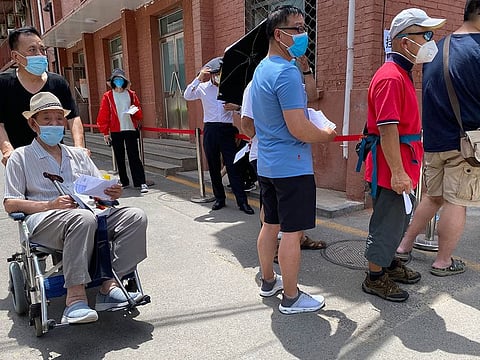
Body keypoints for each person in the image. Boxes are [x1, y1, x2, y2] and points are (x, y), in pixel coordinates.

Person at [4, 92, 148, 324]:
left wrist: (111, 191)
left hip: (90, 215)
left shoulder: (78, 155)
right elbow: (10, 203)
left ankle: (109, 284)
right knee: (82, 218)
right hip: (46, 221)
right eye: (47, 119)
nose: (55, 124)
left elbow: (98, 188)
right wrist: (49, 204)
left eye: (59, 119)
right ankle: (75, 299)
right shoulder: (20, 157)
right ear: (33, 123)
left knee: (135, 216)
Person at [250, 5, 336, 314]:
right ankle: (291, 297)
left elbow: (256, 121)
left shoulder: (262, 69)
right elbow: (299, 127)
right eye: (297, 29)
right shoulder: (286, 72)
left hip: (269, 165)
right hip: (292, 165)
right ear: (278, 34)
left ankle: (268, 280)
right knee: (292, 232)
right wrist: (327, 135)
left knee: (270, 224)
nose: (303, 34)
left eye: (304, 27)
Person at [361, 8, 445, 302]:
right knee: (387, 222)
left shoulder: (401, 74)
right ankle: (375, 276)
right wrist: (397, 172)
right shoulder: (391, 78)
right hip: (391, 167)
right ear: (403, 41)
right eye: (425, 35)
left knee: (399, 220)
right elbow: (387, 130)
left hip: (401, 162)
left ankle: (388, 264)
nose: (429, 41)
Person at [396, 0, 480, 276]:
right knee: (457, 201)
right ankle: (443, 261)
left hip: (433, 139)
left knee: (433, 197)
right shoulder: (477, 49)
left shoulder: (437, 48)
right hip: (465, 142)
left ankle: (404, 246)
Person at [241, 73, 326, 255]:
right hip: (268, 156)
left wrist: (307, 71)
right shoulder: (255, 85)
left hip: (291, 157)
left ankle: (291, 244)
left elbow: (312, 96)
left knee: (286, 211)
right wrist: (265, 137)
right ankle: (277, 249)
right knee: (273, 211)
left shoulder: (292, 81)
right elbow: (246, 123)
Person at [0, 26, 85, 165]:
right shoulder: (3, 84)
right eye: (32, 50)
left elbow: (73, 118)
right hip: (21, 161)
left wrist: (79, 147)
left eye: (42, 49)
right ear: (16, 56)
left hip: (56, 158)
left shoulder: (58, 83)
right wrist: (7, 149)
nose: (40, 55)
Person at [184, 57, 254, 215]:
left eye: (220, 74)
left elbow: (242, 111)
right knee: (213, 166)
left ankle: (242, 201)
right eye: (215, 74)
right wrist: (198, 78)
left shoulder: (229, 88)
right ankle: (219, 198)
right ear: (210, 74)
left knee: (232, 166)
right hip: (210, 129)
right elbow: (187, 95)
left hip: (227, 129)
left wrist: (236, 106)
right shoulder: (202, 88)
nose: (218, 76)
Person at [97, 69, 148, 194]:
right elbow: (104, 114)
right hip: (116, 130)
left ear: (124, 81)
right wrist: (105, 132)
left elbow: (139, 113)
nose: (118, 82)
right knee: (119, 157)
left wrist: (134, 110)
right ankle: (124, 181)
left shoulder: (131, 94)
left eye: (120, 79)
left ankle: (140, 182)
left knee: (134, 156)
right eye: (115, 80)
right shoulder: (108, 96)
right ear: (112, 82)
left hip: (130, 128)